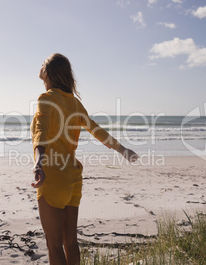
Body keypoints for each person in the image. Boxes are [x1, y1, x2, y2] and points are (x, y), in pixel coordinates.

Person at [30, 53, 139, 265]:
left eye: (43, 63)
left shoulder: (46, 99)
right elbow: (96, 130)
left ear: (49, 72)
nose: (40, 65)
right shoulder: (75, 104)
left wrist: (38, 164)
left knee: (54, 245)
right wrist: (122, 149)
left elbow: (40, 134)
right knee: (70, 241)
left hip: (52, 177)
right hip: (72, 178)